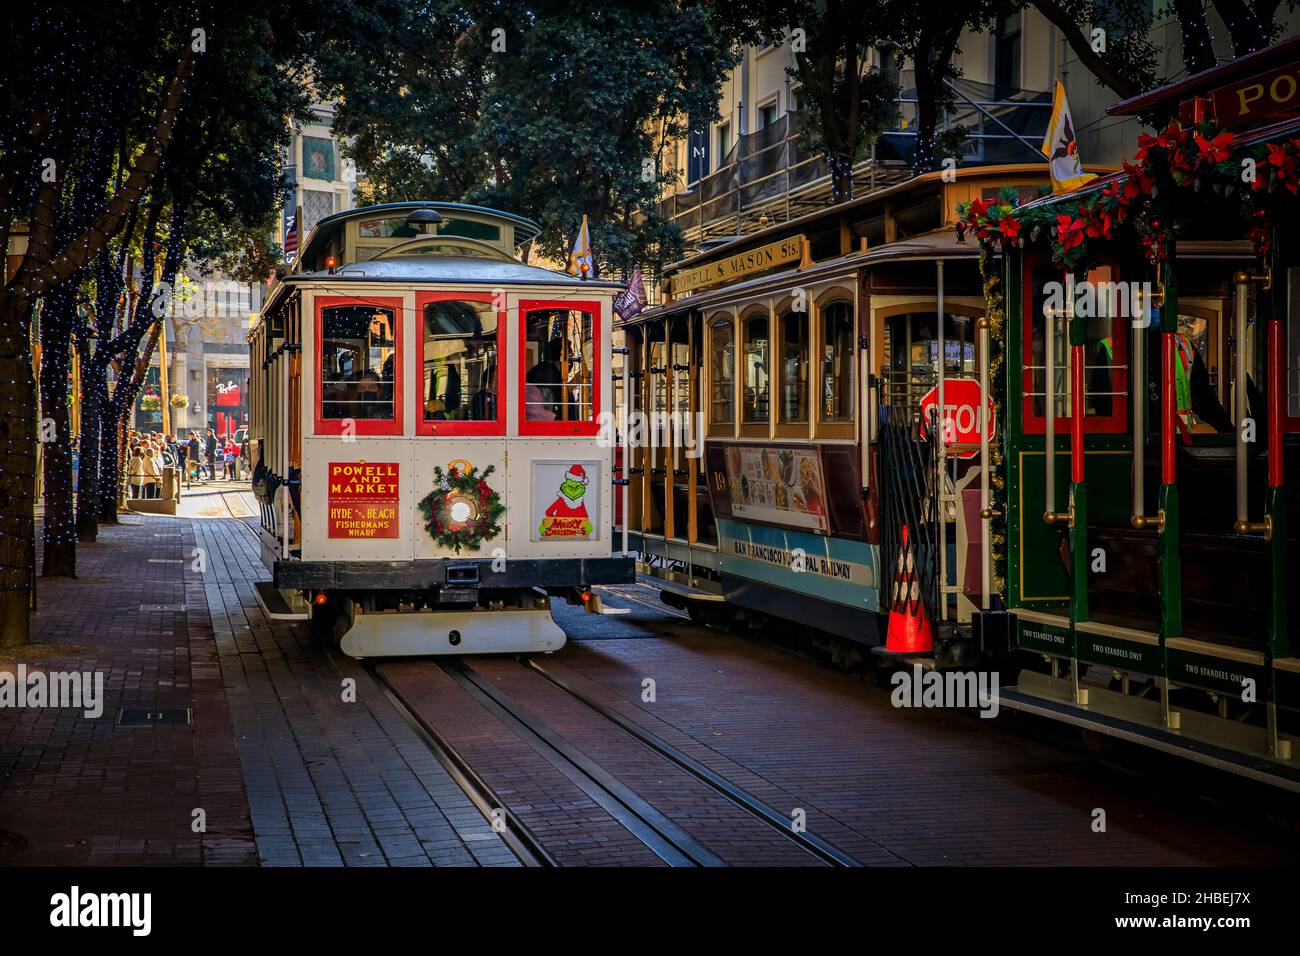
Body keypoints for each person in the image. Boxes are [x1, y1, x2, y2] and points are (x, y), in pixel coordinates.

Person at [526, 338, 563, 420]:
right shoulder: (548, 372)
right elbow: (557, 400)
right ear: (561, 357)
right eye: (569, 356)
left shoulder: (541, 368)